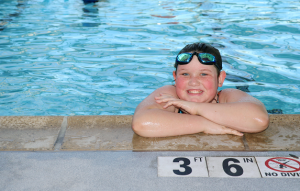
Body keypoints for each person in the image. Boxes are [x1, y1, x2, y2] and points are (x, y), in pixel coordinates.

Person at [132, 42, 269, 137]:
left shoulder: (226, 96)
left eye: (204, 74)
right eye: (185, 74)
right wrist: (204, 124)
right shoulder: (170, 94)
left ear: (220, 79)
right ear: (175, 77)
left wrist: (195, 108)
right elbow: (142, 123)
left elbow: (258, 119)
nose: (193, 82)